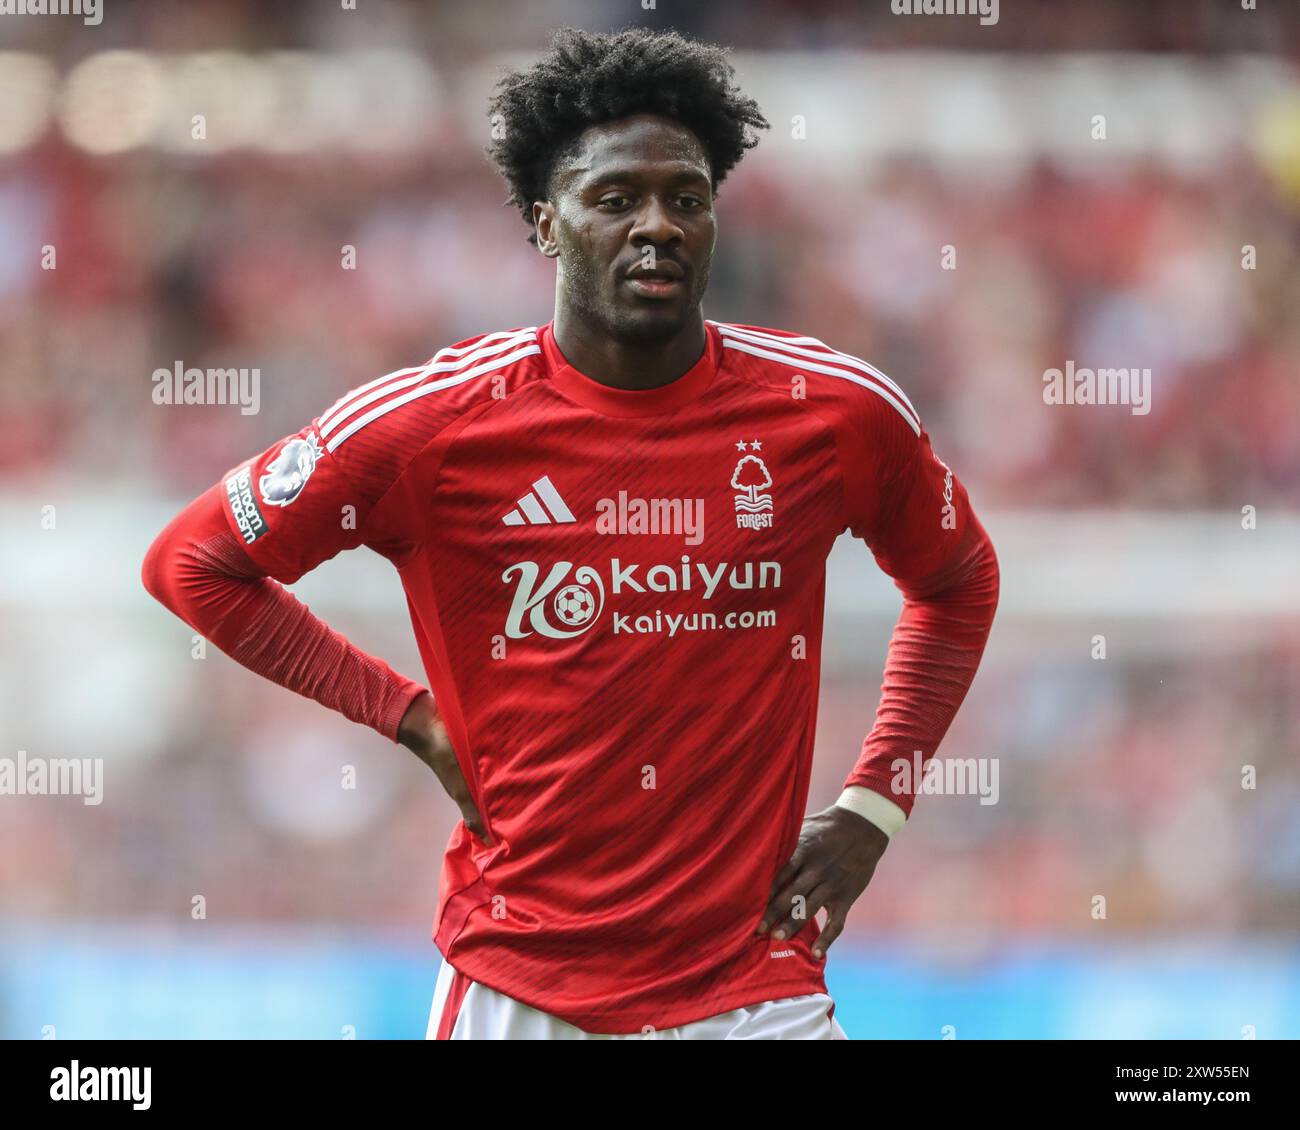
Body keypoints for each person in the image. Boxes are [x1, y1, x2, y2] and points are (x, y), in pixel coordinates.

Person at [141, 26, 999, 1040]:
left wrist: (872, 808)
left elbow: (957, 581)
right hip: (521, 986)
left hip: (754, 989)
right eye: (614, 198)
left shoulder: (832, 413)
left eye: (686, 197)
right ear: (546, 224)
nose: (657, 225)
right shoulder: (435, 426)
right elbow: (195, 561)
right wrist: (410, 716)